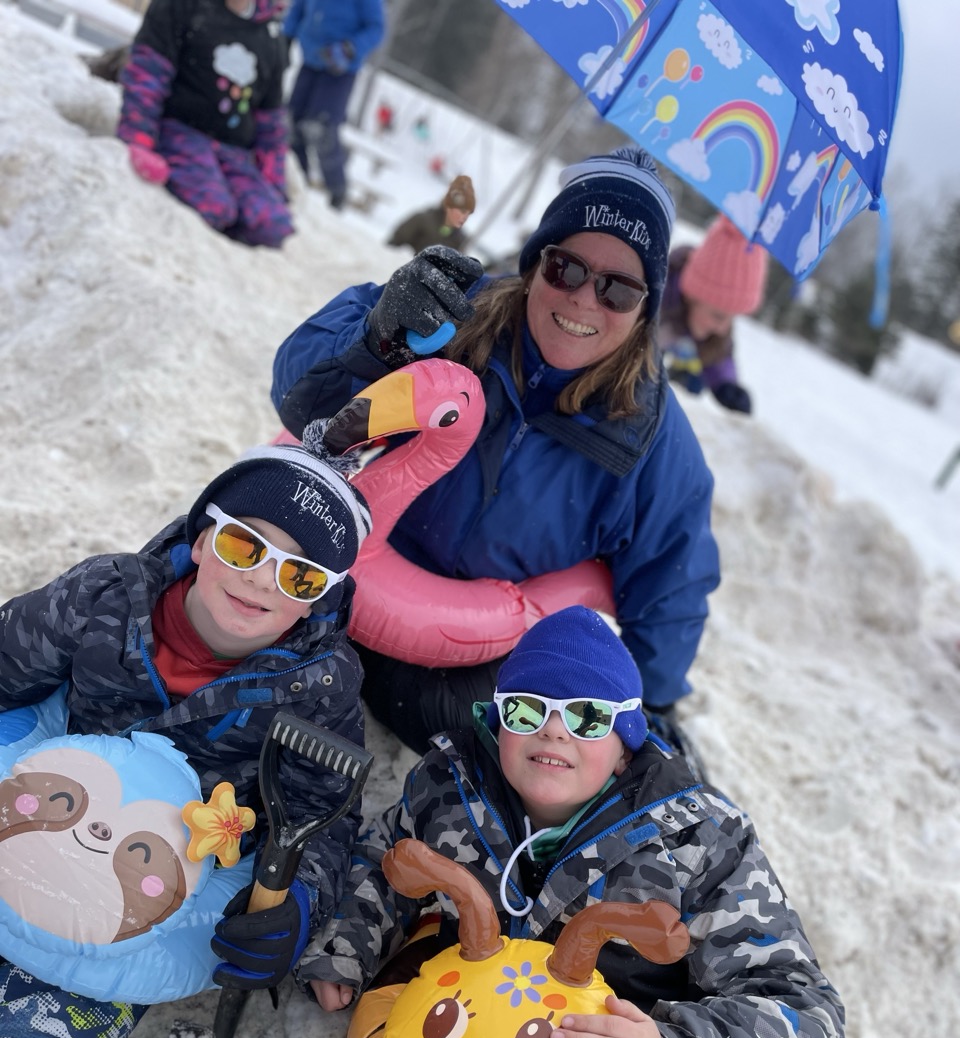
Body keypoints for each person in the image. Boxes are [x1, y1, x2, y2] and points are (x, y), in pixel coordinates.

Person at [232, 605, 846, 1038]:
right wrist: (349, 943)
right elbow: (384, 857)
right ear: (499, 723)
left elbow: (807, 1017)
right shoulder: (450, 789)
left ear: (626, 741)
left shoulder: (701, 843)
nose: (553, 730)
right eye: (527, 709)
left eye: (586, 716)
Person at [0, 441, 372, 1038]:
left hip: (141, 898)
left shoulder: (318, 688)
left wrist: (295, 909)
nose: (260, 579)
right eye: (246, 544)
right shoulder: (104, 601)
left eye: (299, 575)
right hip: (46, 819)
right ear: (202, 538)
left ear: (318, 598)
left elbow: (324, 823)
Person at [270, 145, 721, 759]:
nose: (585, 300)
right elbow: (298, 396)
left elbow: (672, 577)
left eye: (618, 290)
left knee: (511, 751)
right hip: (335, 582)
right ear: (536, 265)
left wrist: (654, 705)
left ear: (645, 310)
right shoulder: (450, 315)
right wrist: (373, 340)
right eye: (567, 268)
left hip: (463, 661)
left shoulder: (650, 440)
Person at [116, 0, 294, 249]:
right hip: (180, 133)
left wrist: (274, 183)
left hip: (232, 152)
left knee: (272, 224)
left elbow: (271, 125)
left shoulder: (270, 38)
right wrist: (138, 138)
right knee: (213, 206)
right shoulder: (182, 7)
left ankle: (227, 245)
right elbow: (148, 74)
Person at [659, 214, 769, 415]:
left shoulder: (712, 325)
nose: (724, 327)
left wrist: (725, 385)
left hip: (679, 366)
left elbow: (719, 354)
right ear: (692, 296)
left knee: (693, 382)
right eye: (718, 316)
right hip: (641, 358)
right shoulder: (659, 300)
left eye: (732, 318)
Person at [283, 0, 384, 210]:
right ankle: (296, 180)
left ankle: (337, 188)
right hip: (311, 59)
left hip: (340, 68)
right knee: (292, 124)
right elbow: (298, 10)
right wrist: (287, 37)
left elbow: (376, 28)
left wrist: (350, 48)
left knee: (320, 129)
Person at [387, 174, 477, 256]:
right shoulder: (422, 220)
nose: (465, 217)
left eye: (468, 213)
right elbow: (392, 245)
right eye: (462, 211)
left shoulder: (460, 240)